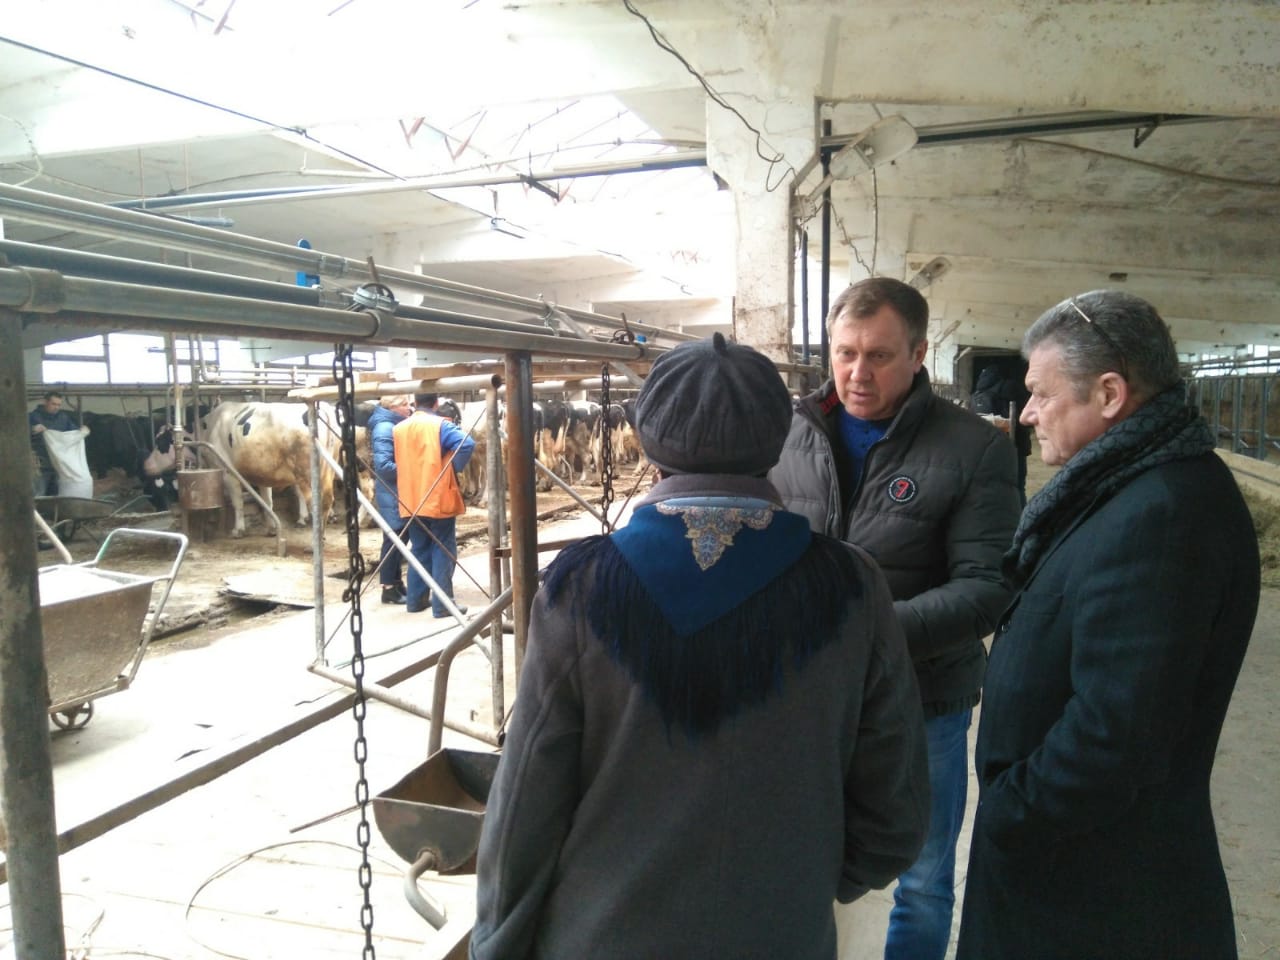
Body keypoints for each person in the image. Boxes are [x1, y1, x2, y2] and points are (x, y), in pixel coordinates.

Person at [471, 333, 930, 960]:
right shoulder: (853, 585)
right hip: (782, 934)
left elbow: (526, 800)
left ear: (650, 441)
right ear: (776, 440)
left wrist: (497, 943)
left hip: (603, 935)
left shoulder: (581, 585)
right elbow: (896, 810)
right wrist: (804, 878)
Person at [956, 291, 1261, 960]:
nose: (1027, 412)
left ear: (1110, 394)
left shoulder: (1163, 515)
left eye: (1041, 393)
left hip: (1094, 897)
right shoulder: (1127, 486)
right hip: (1072, 872)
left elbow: (1116, 735)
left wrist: (1008, 815)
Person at [769, 276, 1020, 960]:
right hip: (807, 696)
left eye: (878, 355)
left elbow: (986, 588)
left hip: (923, 699)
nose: (857, 372)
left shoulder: (976, 449)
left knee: (925, 876)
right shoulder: (788, 434)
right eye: (845, 353)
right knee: (794, 854)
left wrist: (861, 636)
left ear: (918, 354)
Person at [392, 393, 475, 616]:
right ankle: (442, 604)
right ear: (436, 404)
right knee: (443, 549)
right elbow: (466, 443)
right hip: (437, 497)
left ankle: (415, 600)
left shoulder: (399, 428)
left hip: (410, 497)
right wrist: (451, 469)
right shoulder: (440, 425)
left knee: (419, 548)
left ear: (415, 403)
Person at [367, 394, 414, 604]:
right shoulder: (385, 428)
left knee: (399, 538)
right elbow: (384, 467)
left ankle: (396, 583)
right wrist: (413, 468)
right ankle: (388, 588)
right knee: (394, 538)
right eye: (404, 404)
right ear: (392, 407)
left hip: (396, 490)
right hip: (392, 491)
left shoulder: (392, 425)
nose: (409, 407)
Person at [970, 362, 1033, 505]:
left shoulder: (977, 394)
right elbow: (1023, 416)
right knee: (1019, 484)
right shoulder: (1010, 388)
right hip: (1016, 445)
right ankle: (1020, 512)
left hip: (989, 447)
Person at [28, 390, 79, 497]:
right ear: (45, 402)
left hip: (58, 465)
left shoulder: (63, 418)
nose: (56, 407)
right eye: (53, 404)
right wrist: (32, 429)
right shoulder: (33, 417)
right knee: (39, 495)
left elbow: (73, 433)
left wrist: (81, 432)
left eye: (59, 405)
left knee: (56, 496)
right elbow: (19, 434)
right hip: (40, 465)